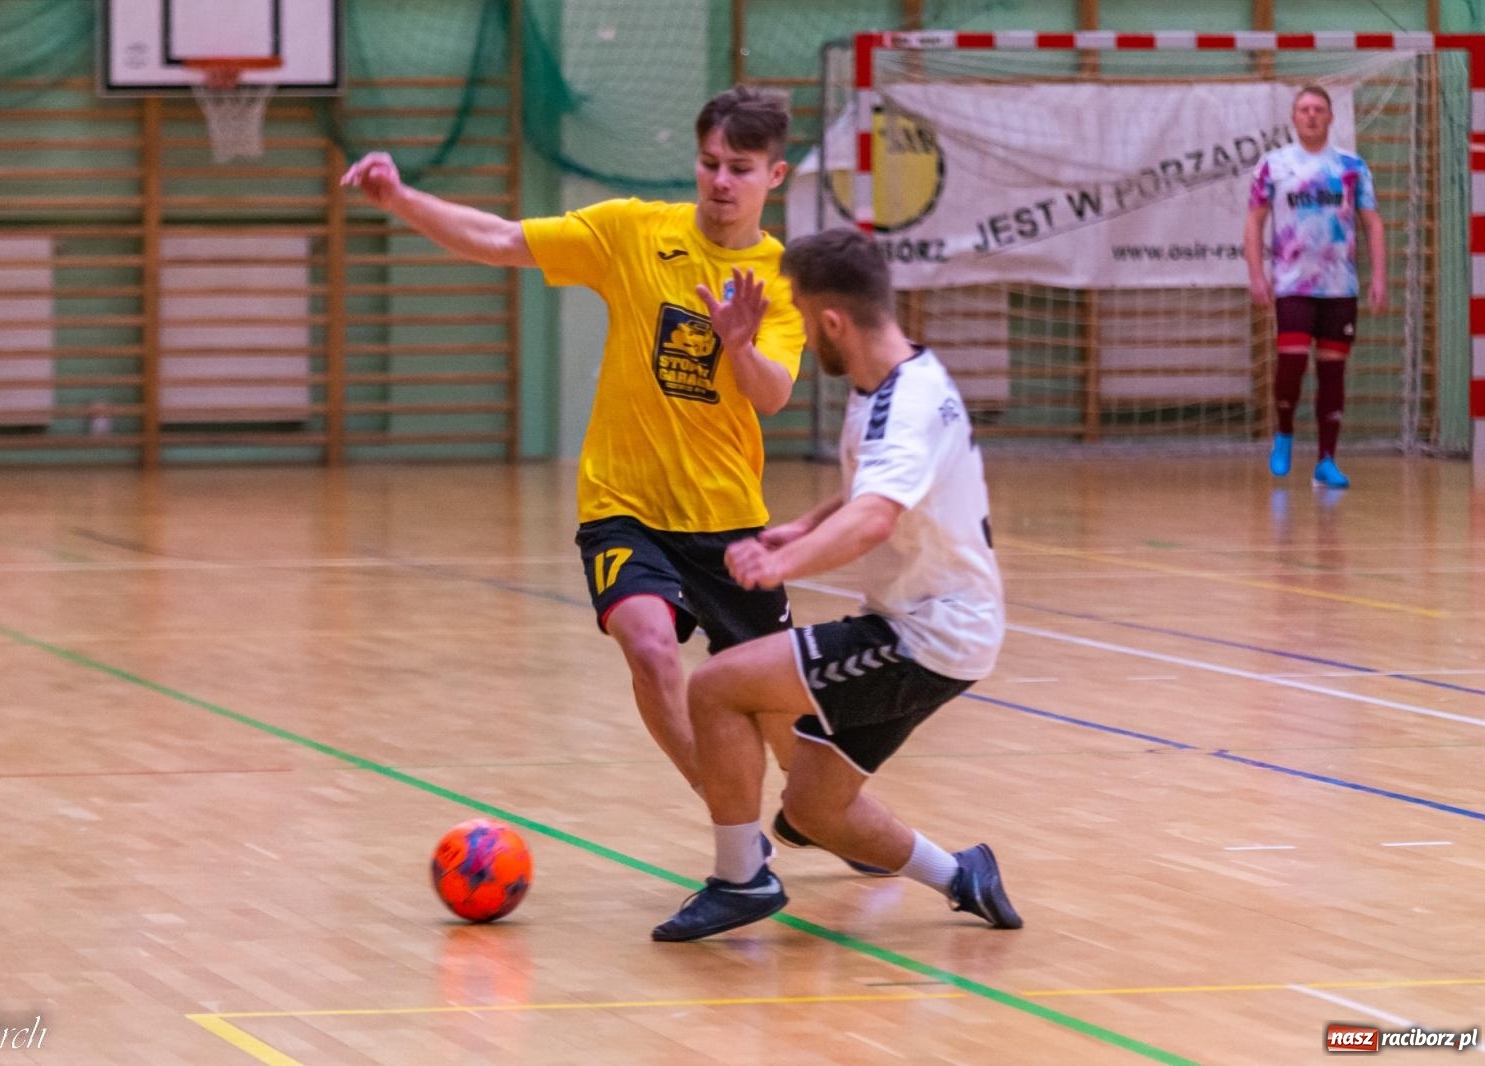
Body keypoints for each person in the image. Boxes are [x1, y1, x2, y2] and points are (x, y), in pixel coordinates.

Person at [340, 87, 814, 809]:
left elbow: (773, 393)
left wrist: (738, 346)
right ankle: (733, 824)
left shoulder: (780, 280)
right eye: (709, 162)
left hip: (726, 516)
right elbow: (500, 239)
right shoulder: (631, 232)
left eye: (740, 168)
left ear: (774, 177)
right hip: (622, 505)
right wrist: (402, 198)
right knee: (651, 648)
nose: (721, 180)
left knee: (786, 724)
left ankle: (829, 815)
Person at [651, 227, 1021, 942]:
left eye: (797, 308)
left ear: (831, 321)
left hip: (925, 636)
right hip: (932, 626)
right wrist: (802, 524)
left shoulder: (903, 406)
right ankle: (963, 875)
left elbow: (875, 520)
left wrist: (779, 566)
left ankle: (739, 879)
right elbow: (874, 491)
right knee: (817, 810)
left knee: (718, 686)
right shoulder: (897, 376)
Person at [1245, 84, 1387, 490]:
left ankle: (1327, 460)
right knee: (1290, 364)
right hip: (1293, 284)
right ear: (1294, 118)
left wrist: (1379, 277)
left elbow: (1372, 222)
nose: (1311, 115)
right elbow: (1254, 222)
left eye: (1318, 109)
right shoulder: (1273, 165)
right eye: (1304, 109)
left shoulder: (1351, 166)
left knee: (1333, 372)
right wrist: (1257, 274)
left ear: (1330, 117)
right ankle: (1285, 433)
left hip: (1339, 286)